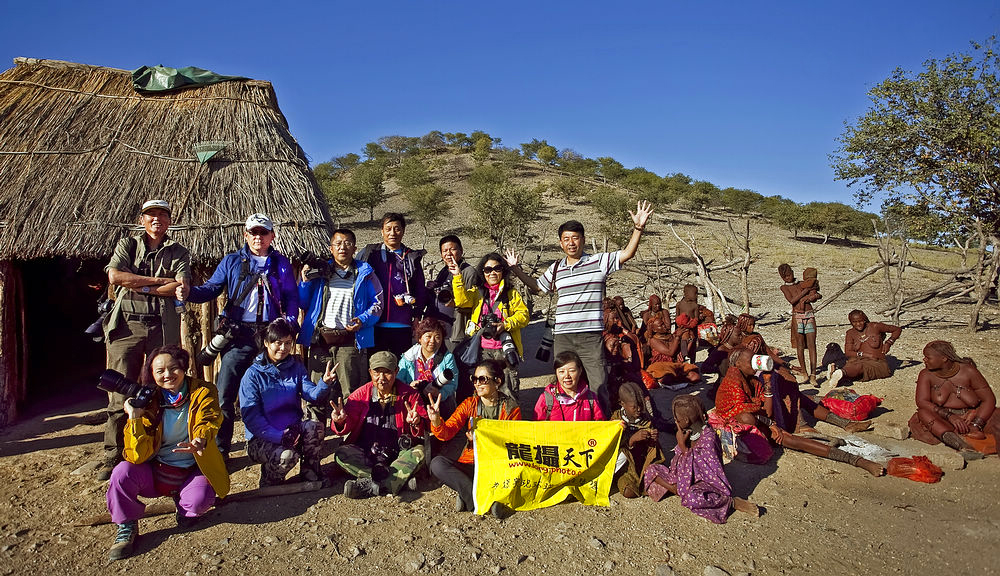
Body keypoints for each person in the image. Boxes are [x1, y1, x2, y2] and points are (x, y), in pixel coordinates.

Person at [507, 201, 654, 412]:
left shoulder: (598, 262)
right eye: (566, 239)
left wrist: (638, 228)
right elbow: (538, 287)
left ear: (583, 240)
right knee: (564, 383)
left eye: (575, 238)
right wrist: (515, 269)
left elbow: (627, 253)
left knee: (598, 383)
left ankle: (600, 423)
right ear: (561, 243)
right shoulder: (556, 268)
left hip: (590, 336)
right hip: (563, 336)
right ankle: (567, 419)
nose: (571, 243)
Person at [187, 213, 299, 461]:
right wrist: (188, 292)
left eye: (263, 232)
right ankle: (221, 450)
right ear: (245, 235)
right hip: (237, 335)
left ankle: (270, 443)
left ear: (272, 236)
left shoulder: (281, 263)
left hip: (269, 335)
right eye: (253, 232)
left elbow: (291, 296)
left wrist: (289, 323)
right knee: (225, 393)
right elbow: (211, 288)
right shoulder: (232, 261)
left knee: (271, 391)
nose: (258, 237)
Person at [105, 345, 229, 561]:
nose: (168, 375)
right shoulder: (148, 400)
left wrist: (200, 438)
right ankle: (126, 525)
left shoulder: (202, 391)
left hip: (191, 468)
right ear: (152, 374)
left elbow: (209, 418)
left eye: (173, 368)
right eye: (160, 371)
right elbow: (136, 456)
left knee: (199, 501)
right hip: (155, 472)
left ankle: (184, 506)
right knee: (122, 472)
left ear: (184, 367)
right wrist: (134, 418)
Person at [100, 199, 191, 481]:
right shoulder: (128, 245)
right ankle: (113, 453)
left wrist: (139, 283)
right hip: (127, 325)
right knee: (119, 390)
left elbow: (180, 286)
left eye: (162, 215)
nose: (157, 219)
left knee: (159, 388)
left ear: (169, 221)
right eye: (151, 215)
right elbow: (115, 276)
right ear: (142, 219)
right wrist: (158, 282)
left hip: (161, 326)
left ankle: (153, 449)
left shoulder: (178, 251)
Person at [711, 347, 884, 476]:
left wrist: (768, 384)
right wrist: (770, 424)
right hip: (740, 425)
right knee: (755, 421)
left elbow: (767, 411)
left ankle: (857, 461)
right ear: (737, 364)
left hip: (760, 422)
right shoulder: (732, 381)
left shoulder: (753, 382)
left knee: (793, 439)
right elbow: (746, 413)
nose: (755, 363)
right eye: (751, 361)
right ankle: (855, 458)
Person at [240, 319, 335, 487]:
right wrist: (279, 436)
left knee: (315, 427)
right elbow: (252, 419)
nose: (283, 348)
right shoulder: (253, 375)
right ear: (266, 343)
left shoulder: (296, 367)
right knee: (286, 456)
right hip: (262, 438)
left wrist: (324, 383)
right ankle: (270, 479)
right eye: (278, 343)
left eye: (288, 343)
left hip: (292, 431)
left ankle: (310, 471)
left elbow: (311, 394)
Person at [298, 228, 383, 403]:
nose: (342, 247)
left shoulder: (365, 273)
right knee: (316, 390)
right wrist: (305, 282)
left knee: (351, 393)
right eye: (338, 243)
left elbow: (377, 303)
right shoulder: (320, 272)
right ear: (331, 248)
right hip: (321, 340)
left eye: (347, 243)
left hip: (350, 342)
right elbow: (303, 303)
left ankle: (351, 421)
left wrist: (362, 320)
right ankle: (316, 421)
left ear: (355, 248)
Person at [427, 358, 520, 518]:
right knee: (437, 464)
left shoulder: (511, 408)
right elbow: (446, 433)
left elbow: (514, 442)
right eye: (474, 379)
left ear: (497, 381)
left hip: (497, 465)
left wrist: (483, 441)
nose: (477, 383)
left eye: (482, 379)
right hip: (472, 462)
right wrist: (436, 420)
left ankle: (467, 493)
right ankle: (482, 499)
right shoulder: (470, 404)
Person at [642, 395, 758, 523]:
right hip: (683, 476)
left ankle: (731, 503)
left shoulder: (709, 439)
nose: (676, 422)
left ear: (686, 420)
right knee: (651, 469)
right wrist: (682, 447)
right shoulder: (688, 432)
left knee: (692, 497)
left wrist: (683, 448)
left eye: (677, 419)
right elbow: (678, 461)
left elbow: (709, 471)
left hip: (703, 481)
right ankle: (675, 488)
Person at [330, 351, 428, 499]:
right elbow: (346, 426)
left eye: (387, 372)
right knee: (341, 454)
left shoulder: (410, 395)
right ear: (370, 372)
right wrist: (340, 421)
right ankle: (397, 481)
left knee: (420, 452)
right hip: (366, 453)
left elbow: (425, 425)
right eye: (376, 372)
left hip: (398, 454)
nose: (381, 378)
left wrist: (417, 421)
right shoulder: (360, 395)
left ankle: (371, 486)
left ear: (396, 371)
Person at [450, 253, 530, 399]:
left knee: (507, 388)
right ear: (483, 272)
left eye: (497, 268)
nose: (492, 273)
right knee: (483, 389)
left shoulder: (511, 294)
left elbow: (524, 315)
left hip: (504, 347)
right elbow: (461, 301)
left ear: (503, 271)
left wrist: (505, 325)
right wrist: (457, 277)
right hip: (482, 349)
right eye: (488, 270)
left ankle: (509, 414)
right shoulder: (478, 293)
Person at [908, 341, 997, 459]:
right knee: (923, 413)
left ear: (944, 358)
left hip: (972, 417)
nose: (924, 360)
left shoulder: (969, 371)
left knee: (997, 415)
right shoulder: (926, 375)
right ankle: (961, 445)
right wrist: (949, 416)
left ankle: (973, 436)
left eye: (928, 357)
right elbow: (922, 402)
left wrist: (976, 424)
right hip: (943, 418)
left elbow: (989, 399)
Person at [356, 213, 427, 357]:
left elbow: (420, 288)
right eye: (388, 229)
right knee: (376, 364)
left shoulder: (411, 257)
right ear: (382, 231)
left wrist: (417, 316)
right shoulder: (370, 253)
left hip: (403, 322)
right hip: (374, 321)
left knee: (402, 365)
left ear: (403, 231)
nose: (392, 233)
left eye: (397, 229)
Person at [397, 317, 460, 417]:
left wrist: (439, 393)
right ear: (419, 338)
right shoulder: (408, 357)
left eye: (437, 337)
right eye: (428, 336)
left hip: (439, 402)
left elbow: (453, 383)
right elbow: (398, 381)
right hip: (414, 401)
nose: (432, 341)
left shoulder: (447, 358)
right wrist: (410, 387)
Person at [425, 235, 480, 347]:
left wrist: (454, 303)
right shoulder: (444, 271)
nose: (448, 253)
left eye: (452, 249)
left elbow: (473, 302)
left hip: (456, 331)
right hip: (438, 330)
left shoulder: (469, 272)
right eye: (445, 251)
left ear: (461, 251)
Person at [611, 381, 663, 498]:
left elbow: (651, 450)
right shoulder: (616, 420)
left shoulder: (645, 419)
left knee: (660, 480)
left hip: (643, 463)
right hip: (626, 467)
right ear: (622, 404)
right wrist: (632, 440)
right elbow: (611, 446)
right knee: (629, 491)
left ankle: (647, 480)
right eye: (634, 407)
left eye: (641, 405)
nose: (639, 409)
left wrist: (653, 439)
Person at [827, 310, 902, 389]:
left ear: (864, 320)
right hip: (858, 360)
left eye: (860, 321)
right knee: (851, 364)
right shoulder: (850, 333)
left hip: (877, 363)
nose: (858, 324)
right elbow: (848, 352)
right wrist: (863, 354)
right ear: (851, 322)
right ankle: (838, 373)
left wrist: (889, 342)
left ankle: (840, 372)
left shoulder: (875, 326)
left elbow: (897, 329)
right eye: (854, 322)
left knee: (860, 367)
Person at [778, 263, 821, 385]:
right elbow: (792, 300)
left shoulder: (803, 283)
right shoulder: (784, 288)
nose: (788, 277)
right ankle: (804, 373)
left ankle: (813, 375)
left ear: (793, 272)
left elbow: (816, 293)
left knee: (812, 344)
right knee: (800, 345)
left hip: (809, 315)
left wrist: (813, 295)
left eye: (789, 274)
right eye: (785, 277)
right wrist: (805, 292)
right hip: (797, 317)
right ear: (782, 277)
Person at [534, 351, 607, 421]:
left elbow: (601, 424)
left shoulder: (590, 398)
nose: (567, 376)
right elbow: (537, 426)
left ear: (580, 371)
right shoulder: (547, 399)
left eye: (572, 371)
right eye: (561, 372)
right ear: (556, 373)